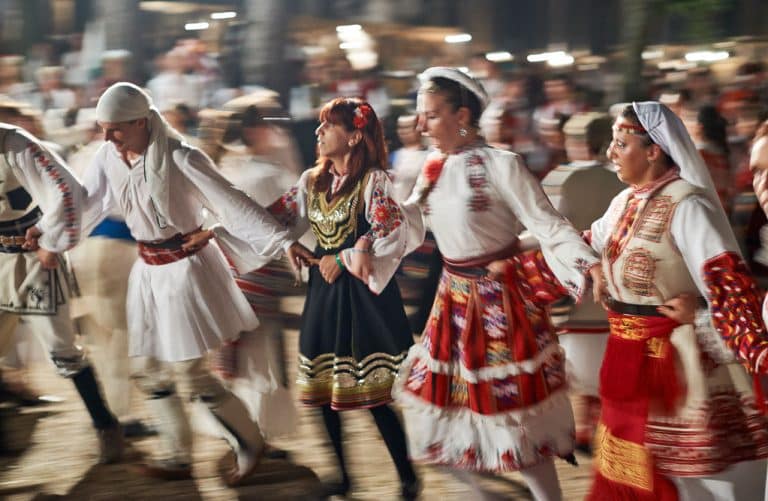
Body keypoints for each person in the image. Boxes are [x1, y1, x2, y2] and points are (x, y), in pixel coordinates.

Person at [394, 66, 603, 501]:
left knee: (514, 418)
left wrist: (590, 266)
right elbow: (410, 225)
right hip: (451, 301)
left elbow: (548, 225)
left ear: (462, 115)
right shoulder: (432, 167)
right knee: (447, 411)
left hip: (498, 305)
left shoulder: (501, 164)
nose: (420, 125)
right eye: (420, 115)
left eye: (431, 115)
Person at [80, 82, 294, 485]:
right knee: (146, 368)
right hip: (146, 270)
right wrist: (48, 233)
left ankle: (249, 441)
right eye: (103, 128)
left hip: (183, 270)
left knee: (192, 373)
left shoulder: (181, 156)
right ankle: (177, 453)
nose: (107, 137)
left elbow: (232, 201)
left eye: (116, 129)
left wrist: (284, 242)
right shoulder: (108, 156)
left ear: (142, 122)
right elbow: (87, 201)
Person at [587, 102, 768, 501]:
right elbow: (588, 243)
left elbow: (730, 288)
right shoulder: (624, 202)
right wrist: (593, 267)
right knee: (633, 471)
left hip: (680, 363)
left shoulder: (688, 206)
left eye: (621, 144)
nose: (610, 153)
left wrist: (701, 315)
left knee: (695, 476)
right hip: (626, 357)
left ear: (653, 150)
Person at [268, 97, 419, 499]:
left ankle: (407, 477)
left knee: (371, 394)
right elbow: (275, 217)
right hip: (323, 294)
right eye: (319, 125)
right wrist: (282, 240)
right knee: (321, 391)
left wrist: (345, 254)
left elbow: (391, 227)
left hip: (361, 297)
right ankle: (343, 476)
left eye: (328, 125)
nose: (318, 133)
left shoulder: (374, 181)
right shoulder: (310, 180)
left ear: (354, 137)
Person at [0, 118, 123, 463]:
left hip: (33, 257)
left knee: (62, 349)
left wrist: (53, 243)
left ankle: (106, 425)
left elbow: (68, 191)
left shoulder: (16, 144)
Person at [538, 112, 626, 452]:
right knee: (604, 360)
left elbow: (546, 228)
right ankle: (598, 423)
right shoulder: (621, 179)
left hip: (574, 283)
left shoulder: (562, 177)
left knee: (578, 363)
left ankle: (585, 427)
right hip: (614, 285)